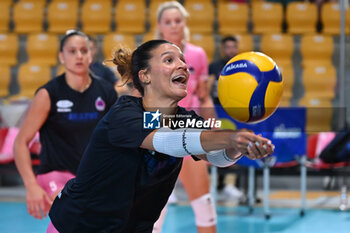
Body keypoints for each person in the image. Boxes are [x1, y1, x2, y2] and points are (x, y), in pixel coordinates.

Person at [48, 39, 274, 233]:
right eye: (169, 60)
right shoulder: (124, 114)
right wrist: (229, 137)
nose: (183, 66)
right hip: (77, 226)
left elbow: (215, 156)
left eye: (183, 61)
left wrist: (237, 147)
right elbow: (167, 140)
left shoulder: (186, 118)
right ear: (145, 76)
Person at [13, 30, 118, 229]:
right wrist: (31, 186)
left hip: (90, 178)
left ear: (90, 55)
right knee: (72, 209)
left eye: (83, 50)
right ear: (62, 57)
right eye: (72, 51)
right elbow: (20, 143)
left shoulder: (106, 92)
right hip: (55, 174)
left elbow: (114, 139)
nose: (78, 55)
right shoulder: (48, 94)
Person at [153, 2, 218, 232]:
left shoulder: (197, 54)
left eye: (177, 21)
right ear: (160, 26)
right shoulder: (150, 55)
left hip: (190, 135)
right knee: (152, 215)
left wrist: (215, 130)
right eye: (168, 22)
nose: (173, 26)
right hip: (159, 137)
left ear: (184, 23)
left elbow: (204, 97)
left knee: (204, 207)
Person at [209, 35, 244, 202]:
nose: (231, 50)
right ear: (223, 49)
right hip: (217, 110)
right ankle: (220, 185)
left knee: (239, 145)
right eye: (227, 47)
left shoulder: (243, 66)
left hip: (236, 111)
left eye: (233, 47)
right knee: (220, 146)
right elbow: (208, 87)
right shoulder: (214, 66)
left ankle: (235, 185)